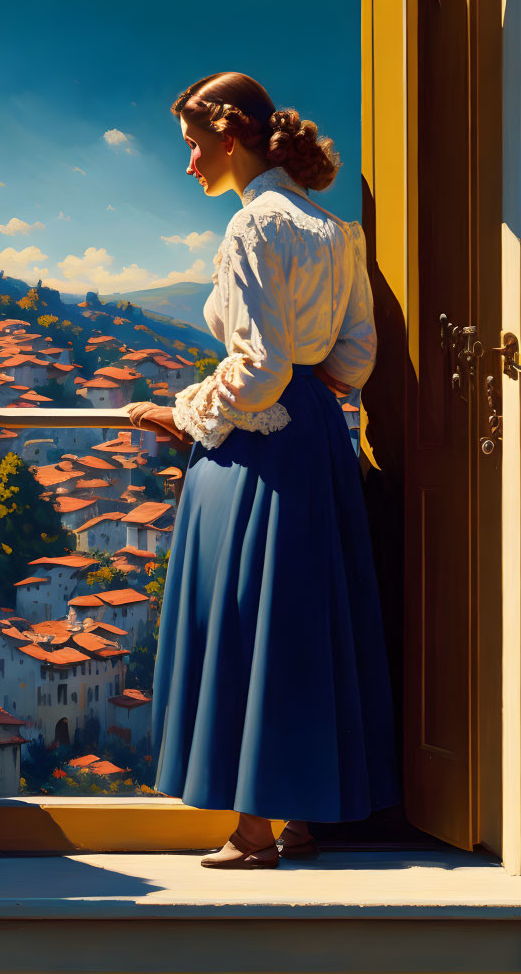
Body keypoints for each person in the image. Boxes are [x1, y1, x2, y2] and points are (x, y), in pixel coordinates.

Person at [122, 72, 400, 869]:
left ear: (229, 136)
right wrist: (318, 396)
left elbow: (258, 366)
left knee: (248, 626)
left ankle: (252, 832)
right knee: (301, 625)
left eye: (192, 146)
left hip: (260, 449)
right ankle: (300, 817)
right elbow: (353, 354)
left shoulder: (251, 230)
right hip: (316, 439)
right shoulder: (332, 228)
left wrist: (181, 413)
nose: (188, 165)